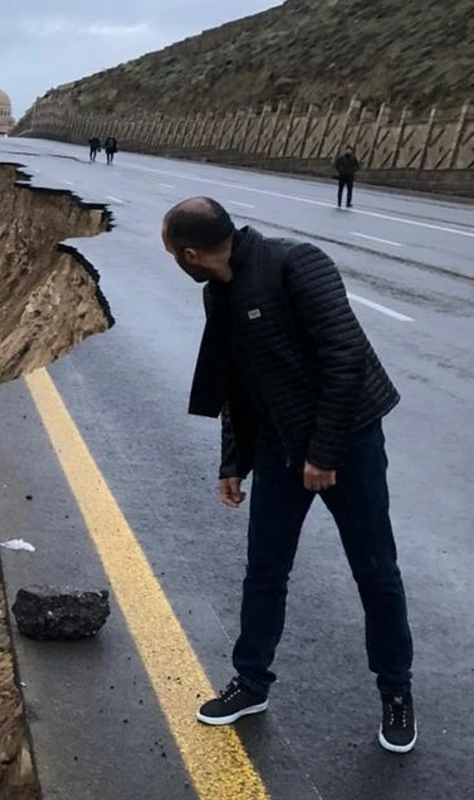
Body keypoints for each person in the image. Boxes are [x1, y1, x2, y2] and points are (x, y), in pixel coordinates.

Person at [161, 197, 416, 754]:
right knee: (265, 570)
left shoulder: (296, 263)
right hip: (279, 446)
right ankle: (251, 683)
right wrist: (234, 462)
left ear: (190, 253)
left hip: (348, 443)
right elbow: (237, 384)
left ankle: (396, 691)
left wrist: (323, 455)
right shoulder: (219, 294)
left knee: (375, 573)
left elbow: (346, 357)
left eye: (173, 255)